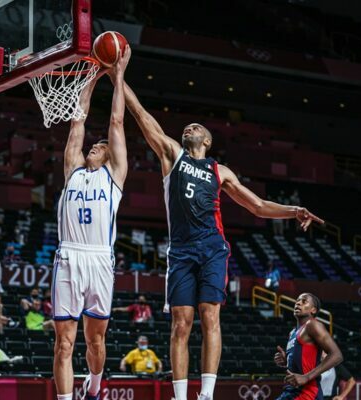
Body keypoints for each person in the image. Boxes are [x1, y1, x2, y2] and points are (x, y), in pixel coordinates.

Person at [122, 75, 324, 400]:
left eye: (195, 127)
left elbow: (257, 206)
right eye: (186, 126)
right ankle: (179, 395)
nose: (188, 128)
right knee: (180, 322)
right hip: (181, 251)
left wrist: (293, 209)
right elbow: (143, 117)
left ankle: (207, 395)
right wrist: (119, 77)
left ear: (207, 140)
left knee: (209, 314)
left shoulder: (220, 170)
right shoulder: (173, 156)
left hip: (212, 247)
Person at [52, 47, 131, 400]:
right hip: (69, 256)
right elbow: (78, 120)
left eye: (99, 148)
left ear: (108, 154)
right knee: (63, 342)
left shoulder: (114, 176)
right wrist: (92, 76)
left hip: (100, 258)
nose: (93, 149)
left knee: (95, 339)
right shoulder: (72, 171)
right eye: (93, 147)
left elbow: (116, 122)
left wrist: (118, 76)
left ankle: (95, 386)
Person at [273, 293, 343, 400]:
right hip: (291, 391)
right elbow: (302, 362)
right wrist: (286, 361)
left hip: (307, 393)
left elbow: (337, 355)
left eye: (304, 301)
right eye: (297, 301)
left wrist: (307, 377)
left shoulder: (312, 325)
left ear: (313, 310)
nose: (298, 303)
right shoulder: (292, 333)